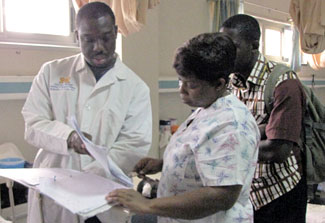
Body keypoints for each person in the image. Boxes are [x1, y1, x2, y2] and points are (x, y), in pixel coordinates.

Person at [106, 32, 260, 223]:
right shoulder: (207, 108)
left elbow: (222, 196)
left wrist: (147, 205)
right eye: (180, 80)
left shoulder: (231, 125)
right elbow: (203, 153)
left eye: (191, 84)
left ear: (219, 84)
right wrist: (164, 163)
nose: (182, 89)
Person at [21, 2, 152, 223]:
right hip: (55, 190)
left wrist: (89, 177)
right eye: (88, 40)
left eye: (105, 38)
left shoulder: (135, 87)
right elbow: (33, 124)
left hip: (104, 198)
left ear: (116, 33)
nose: (98, 47)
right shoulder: (52, 72)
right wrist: (69, 138)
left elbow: (134, 143)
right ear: (77, 36)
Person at [220, 14, 307, 223]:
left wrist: (222, 149)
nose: (226, 54)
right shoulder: (229, 84)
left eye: (234, 47)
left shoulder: (283, 83)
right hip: (247, 190)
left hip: (280, 191)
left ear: (254, 45)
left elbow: (277, 150)